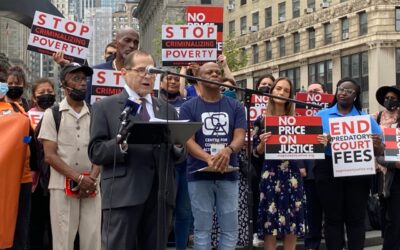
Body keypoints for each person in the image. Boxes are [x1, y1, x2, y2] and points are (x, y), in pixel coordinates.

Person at [88, 50, 186, 250]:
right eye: (141, 70)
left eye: (151, 72)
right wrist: (122, 144)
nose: (147, 76)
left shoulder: (166, 109)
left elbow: (179, 155)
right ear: (123, 72)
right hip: (123, 194)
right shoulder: (105, 107)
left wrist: (177, 145)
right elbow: (95, 151)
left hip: (160, 194)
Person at [179, 62, 246, 249]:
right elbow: (188, 140)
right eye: (209, 72)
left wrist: (228, 150)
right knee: (202, 230)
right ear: (199, 77)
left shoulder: (235, 106)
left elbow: (240, 135)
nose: (215, 74)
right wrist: (208, 158)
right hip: (198, 174)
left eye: (218, 72)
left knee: (230, 229)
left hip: (228, 174)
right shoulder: (188, 107)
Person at [38, 63, 101, 250]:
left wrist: (91, 178)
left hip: (93, 186)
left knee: (92, 239)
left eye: (84, 79)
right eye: (76, 79)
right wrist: (79, 178)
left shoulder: (95, 113)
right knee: (63, 240)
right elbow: (49, 156)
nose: (82, 83)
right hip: (62, 187)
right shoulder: (53, 114)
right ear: (64, 85)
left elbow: (100, 151)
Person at [315, 78, 383, 250]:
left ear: (356, 96)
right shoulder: (320, 116)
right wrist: (321, 141)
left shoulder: (365, 119)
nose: (343, 93)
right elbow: (310, 146)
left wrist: (376, 145)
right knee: (332, 218)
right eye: (340, 89)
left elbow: (382, 149)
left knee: (356, 218)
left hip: (358, 171)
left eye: (349, 91)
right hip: (328, 168)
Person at [253, 77, 306, 250]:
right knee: (270, 225)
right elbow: (255, 152)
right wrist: (262, 143)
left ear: (291, 95)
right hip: (270, 174)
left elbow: (308, 147)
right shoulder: (261, 120)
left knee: (291, 225)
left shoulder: (298, 119)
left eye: (286, 90)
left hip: (292, 175)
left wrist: (321, 141)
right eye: (278, 88)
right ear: (272, 91)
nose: (281, 92)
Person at [159, 72, 192, 250]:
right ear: (161, 82)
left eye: (176, 79)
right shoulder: (154, 104)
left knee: (184, 212)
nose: (173, 81)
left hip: (185, 165)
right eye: (168, 79)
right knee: (164, 212)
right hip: (164, 165)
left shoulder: (187, 104)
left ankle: (182, 247)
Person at [296, 82, 327, 250]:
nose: (313, 94)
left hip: (330, 171)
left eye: (317, 91)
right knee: (312, 212)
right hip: (310, 172)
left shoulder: (331, 115)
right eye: (310, 92)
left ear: (325, 94)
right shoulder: (299, 118)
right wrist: (300, 164)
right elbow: (295, 143)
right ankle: (311, 245)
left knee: (333, 212)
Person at [28, 78, 56, 250]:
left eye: (49, 92)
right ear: (33, 97)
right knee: (36, 220)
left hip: (55, 174)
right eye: (41, 93)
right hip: (35, 179)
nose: (46, 95)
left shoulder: (59, 113)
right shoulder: (26, 116)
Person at [373, 85, 400, 250]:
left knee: (394, 218)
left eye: (394, 98)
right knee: (387, 216)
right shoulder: (375, 118)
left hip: (394, 173)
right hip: (381, 171)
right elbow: (381, 153)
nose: (390, 100)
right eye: (387, 98)